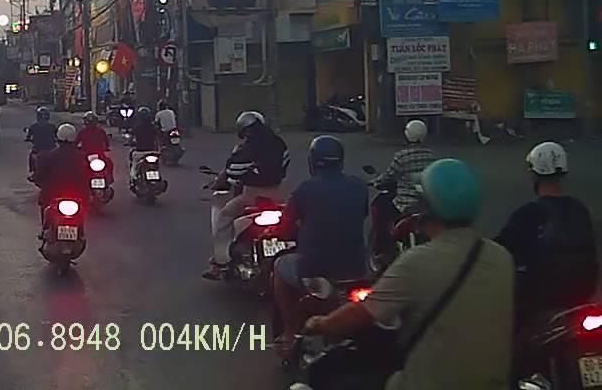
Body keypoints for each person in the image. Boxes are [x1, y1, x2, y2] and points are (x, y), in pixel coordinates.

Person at [301, 159, 514, 390]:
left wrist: (320, 324)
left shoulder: (418, 261)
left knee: (329, 374)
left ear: (427, 210)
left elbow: (361, 314)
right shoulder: (501, 257)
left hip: (428, 384)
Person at [271, 136, 369, 344]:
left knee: (280, 267)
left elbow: (285, 227)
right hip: (356, 268)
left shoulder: (305, 189)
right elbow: (360, 215)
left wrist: (275, 233)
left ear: (312, 162)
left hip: (315, 268)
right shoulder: (360, 186)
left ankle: (289, 332)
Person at [495, 142, 598, 330]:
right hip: (582, 301)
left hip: (539, 307)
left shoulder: (527, 214)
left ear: (534, 175)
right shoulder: (579, 209)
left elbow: (499, 250)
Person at [204, 111, 289, 280]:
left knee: (224, 217)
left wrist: (227, 179)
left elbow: (233, 170)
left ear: (244, 130)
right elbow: (285, 165)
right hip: (277, 195)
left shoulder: (249, 147)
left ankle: (221, 262)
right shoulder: (280, 143)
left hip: (252, 196)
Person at [370, 119, 435, 260]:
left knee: (381, 210)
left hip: (405, 203)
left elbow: (389, 176)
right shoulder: (431, 155)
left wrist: (376, 181)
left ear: (407, 135)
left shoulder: (402, 156)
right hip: (427, 202)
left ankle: (383, 249)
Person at [34, 123, 90, 231]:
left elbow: (40, 175)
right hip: (77, 194)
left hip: (53, 194)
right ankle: (80, 231)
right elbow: (87, 176)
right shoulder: (82, 157)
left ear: (58, 137)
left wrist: (38, 180)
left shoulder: (46, 156)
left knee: (44, 205)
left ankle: (45, 229)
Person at [128, 106, 158, 182]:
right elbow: (157, 139)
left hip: (140, 152)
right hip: (152, 151)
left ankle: (133, 179)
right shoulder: (153, 127)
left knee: (134, 165)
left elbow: (131, 139)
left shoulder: (137, 127)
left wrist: (130, 142)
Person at [25, 106, 57, 175]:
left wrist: (28, 138)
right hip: (50, 148)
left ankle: (32, 171)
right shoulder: (52, 126)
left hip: (38, 148)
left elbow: (28, 136)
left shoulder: (34, 126)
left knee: (31, 155)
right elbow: (57, 136)